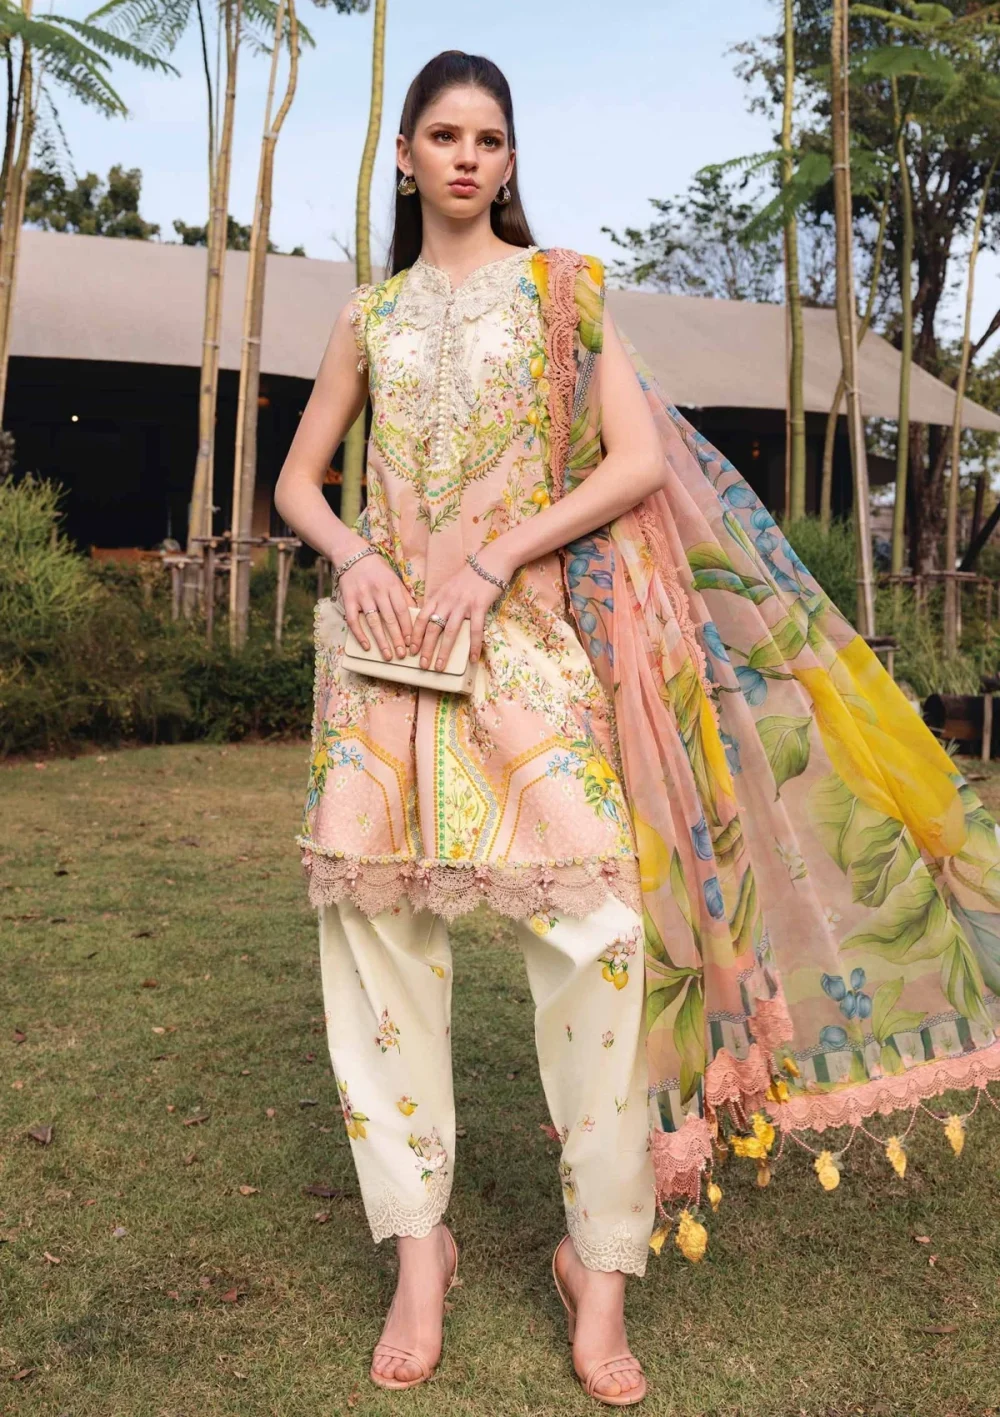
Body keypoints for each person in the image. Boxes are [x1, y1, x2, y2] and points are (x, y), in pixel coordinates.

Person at [275, 47, 1000, 1411]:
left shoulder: (567, 293)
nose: (469, 157)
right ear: (407, 157)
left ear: (509, 158)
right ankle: (419, 1252)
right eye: (445, 136)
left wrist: (500, 559)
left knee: (606, 939)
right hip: (384, 669)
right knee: (375, 950)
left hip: (530, 652)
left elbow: (638, 461)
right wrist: (353, 554)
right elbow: (298, 480)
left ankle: (596, 1262)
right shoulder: (367, 317)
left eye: (490, 137)